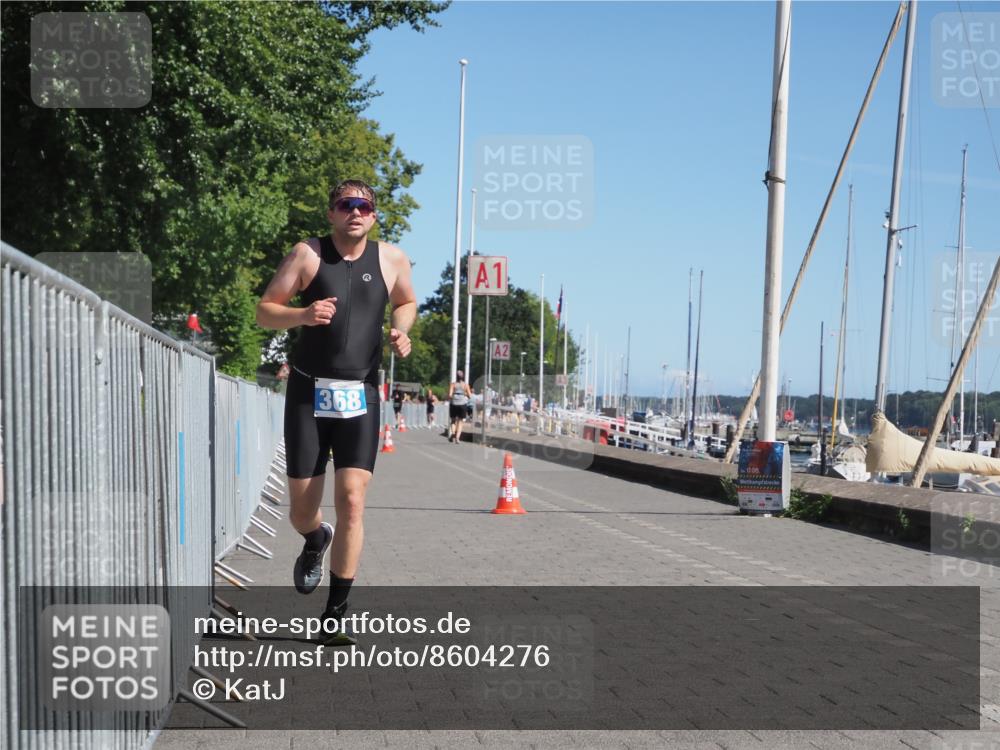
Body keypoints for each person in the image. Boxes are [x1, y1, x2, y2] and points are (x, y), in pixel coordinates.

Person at [256, 179, 415, 646]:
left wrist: (401, 330)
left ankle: (335, 616)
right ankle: (314, 538)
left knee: (353, 499)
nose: (356, 212)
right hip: (307, 395)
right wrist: (302, 316)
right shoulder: (307, 254)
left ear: (374, 215)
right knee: (301, 511)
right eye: (346, 205)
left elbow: (405, 301)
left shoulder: (392, 259)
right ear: (331, 213)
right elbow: (265, 310)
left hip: (360, 397)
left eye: (364, 206)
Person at [448, 370, 472, 443]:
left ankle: (453, 433)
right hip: (462, 404)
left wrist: (454, 396)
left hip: (454, 403)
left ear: (456, 376)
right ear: (463, 377)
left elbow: (450, 395)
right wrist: (464, 394)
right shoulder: (466, 385)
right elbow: (470, 396)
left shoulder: (453, 384)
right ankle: (457, 438)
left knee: (453, 420)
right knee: (460, 421)